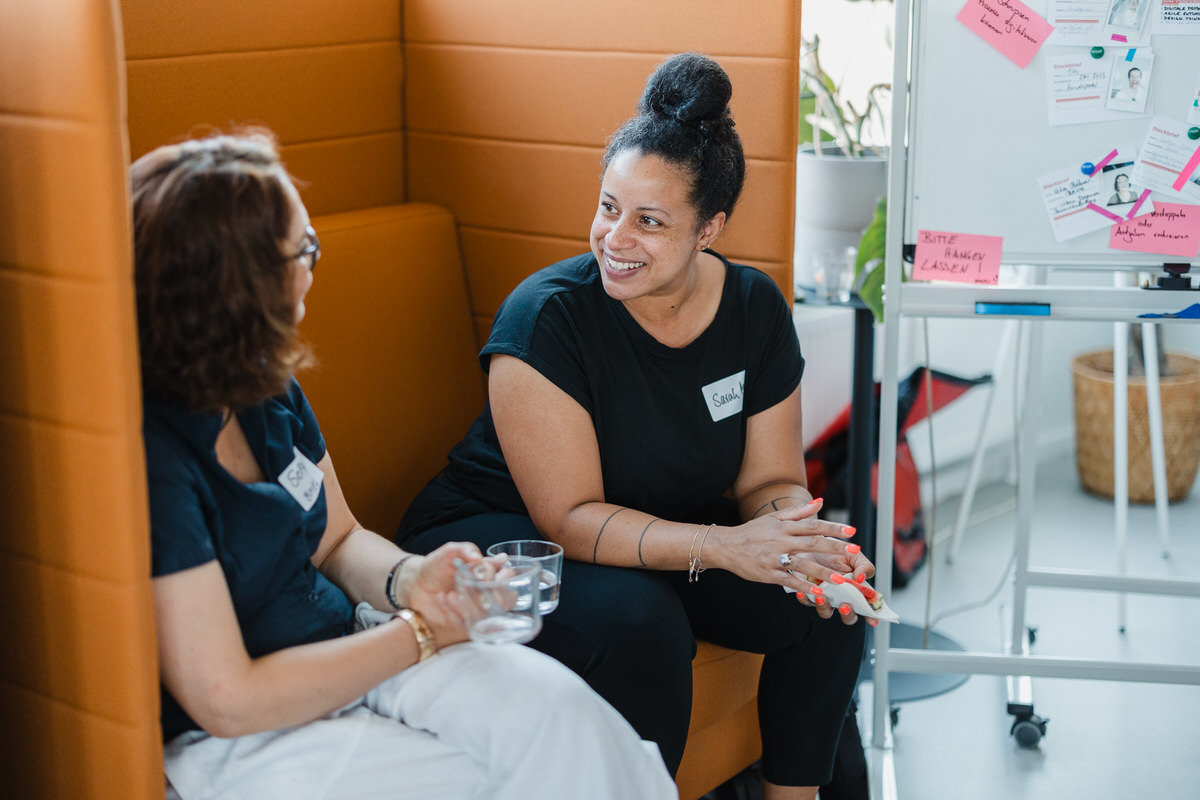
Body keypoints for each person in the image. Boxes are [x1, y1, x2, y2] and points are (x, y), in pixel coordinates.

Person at [135, 131, 678, 800]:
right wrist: (421, 633)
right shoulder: (152, 455)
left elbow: (336, 539)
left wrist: (413, 578)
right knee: (485, 782)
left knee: (571, 725)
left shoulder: (265, 387)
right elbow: (227, 699)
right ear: (238, 288)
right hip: (243, 732)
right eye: (304, 250)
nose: (314, 265)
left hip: (349, 641)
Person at [396, 53, 874, 800]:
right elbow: (574, 519)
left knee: (830, 601)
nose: (615, 237)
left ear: (709, 228)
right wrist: (727, 548)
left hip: (661, 525)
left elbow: (771, 479)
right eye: (608, 206)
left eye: (650, 221)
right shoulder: (546, 318)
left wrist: (793, 543)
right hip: (506, 532)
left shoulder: (753, 308)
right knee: (642, 624)